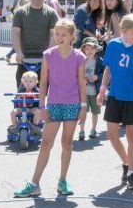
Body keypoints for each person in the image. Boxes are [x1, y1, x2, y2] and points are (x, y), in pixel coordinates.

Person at [14, 19, 86, 197]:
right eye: (57, 34)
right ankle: (34, 183)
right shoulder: (48, 55)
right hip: (53, 104)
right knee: (46, 143)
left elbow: (81, 84)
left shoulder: (79, 56)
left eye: (64, 35)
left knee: (67, 143)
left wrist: (83, 106)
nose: (60, 38)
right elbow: (44, 82)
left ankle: (62, 181)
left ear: (72, 36)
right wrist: (42, 105)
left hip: (72, 104)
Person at [96, 14, 133, 190]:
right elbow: (108, 69)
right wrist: (102, 90)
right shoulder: (114, 45)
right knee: (112, 134)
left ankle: (131, 172)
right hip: (115, 95)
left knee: (131, 136)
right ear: (124, 30)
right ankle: (126, 163)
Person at [12, 0, 58, 86]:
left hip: (44, 58)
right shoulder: (20, 12)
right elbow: (15, 33)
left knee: (43, 91)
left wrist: (48, 54)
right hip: (24, 57)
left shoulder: (51, 13)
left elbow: (53, 35)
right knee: (22, 92)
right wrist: (18, 52)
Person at [77, 37, 104, 140]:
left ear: (96, 49)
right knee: (83, 111)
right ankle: (82, 131)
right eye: (87, 48)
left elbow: (106, 74)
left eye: (92, 48)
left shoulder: (100, 61)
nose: (89, 51)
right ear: (83, 49)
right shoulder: (80, 60)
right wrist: (81, 79)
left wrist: (97, 77)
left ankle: (93, 129)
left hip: (95, 91)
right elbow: (75, 73)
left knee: (95, 111)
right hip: (83, 91)